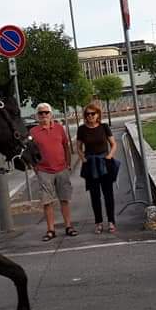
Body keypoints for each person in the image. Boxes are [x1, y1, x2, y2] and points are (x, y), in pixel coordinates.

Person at [30, 102, 76, 241]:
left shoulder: (59, 128)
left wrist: (68, 164)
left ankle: (68, 226)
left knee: (64, 199)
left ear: (51, 114)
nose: (44, 115)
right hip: (44, 171)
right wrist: (36, 168)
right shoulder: (33, 132)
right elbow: (30, 152)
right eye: (41, 113)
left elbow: (66, 146)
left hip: (61, 169)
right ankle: (51, 230)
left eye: (46, 112)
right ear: (37, 116)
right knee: (47, 202)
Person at [76, 102, 120, 234]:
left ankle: (111, 221)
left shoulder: (104, 127)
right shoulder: (81, 129)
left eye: (92, 113)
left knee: (108, 194)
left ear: (98, 115)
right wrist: (83, 158)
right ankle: (98, 223)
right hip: (90, 164)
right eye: (87, 114)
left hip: (104, 162)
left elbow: (113, 144)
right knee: (94, 195)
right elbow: (78, 147)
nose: (90, 116)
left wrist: (109, 156)